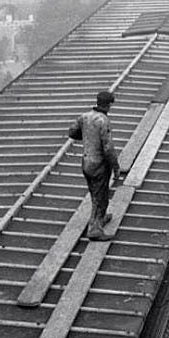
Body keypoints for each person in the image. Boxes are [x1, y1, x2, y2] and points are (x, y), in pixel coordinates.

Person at [68, 89, 120, 241]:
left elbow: (72, 132)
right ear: (108, 105)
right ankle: (95, 230)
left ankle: (100, 218)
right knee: (102, 196)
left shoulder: (85, 117)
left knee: (94, 194)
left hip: (86, 163)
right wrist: (116, 167)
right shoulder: (103, 120)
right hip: (99, 164)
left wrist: (87, 137)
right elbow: (108, 148)